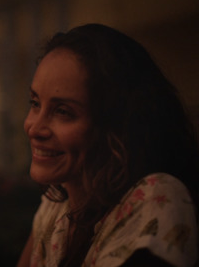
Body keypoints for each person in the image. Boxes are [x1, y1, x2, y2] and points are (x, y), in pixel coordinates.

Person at [17, 23, 198, 267]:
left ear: (116, 126)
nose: (35, 128)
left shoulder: (155, 199)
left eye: (63, 111)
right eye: (35, 103)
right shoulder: (54, 209)